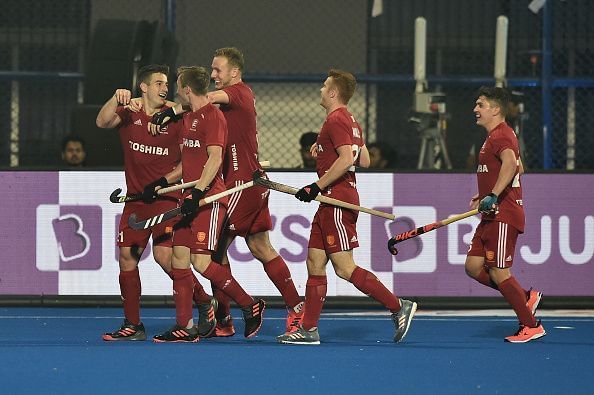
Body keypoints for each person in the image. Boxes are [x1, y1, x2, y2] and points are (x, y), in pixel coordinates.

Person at [151, 47, 303, 337]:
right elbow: (198, 103)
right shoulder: (225, 104)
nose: (213, 75)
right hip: (249, 182)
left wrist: (168, 111)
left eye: (218, 69)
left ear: (234, 72)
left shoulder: (239, 93)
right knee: (259, 247)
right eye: (212, 69)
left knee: (210, 253)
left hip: (240, 185)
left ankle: (231, 314)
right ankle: (292, 308)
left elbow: (201, 98)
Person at [276, 69, 417, 345]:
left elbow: (345, 159)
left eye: (324, 86)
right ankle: (309, 330)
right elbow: (362, 159)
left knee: (344, 267)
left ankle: (398, 306)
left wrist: (316, 186)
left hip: (336, 200)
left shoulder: (336, 119)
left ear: (332, 92)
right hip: (330, 202)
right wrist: (325, 147)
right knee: (314, 263)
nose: (320, 89)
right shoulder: (349, 120)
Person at [96, 64, 215, 341]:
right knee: (127, 258)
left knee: (165, 256)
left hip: (167, 198)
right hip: (136, 201)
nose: (165, 88)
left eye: (166, 83)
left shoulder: (176, 115)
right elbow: (101, 122)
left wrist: (162, 182)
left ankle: (203, 301)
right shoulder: (130, 112)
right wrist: (116, 97)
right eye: (159, 83)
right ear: (144, 87)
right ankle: (133, 325)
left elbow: (189, 162)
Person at [152, 65, 265, 342]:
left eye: (178, 86)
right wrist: (162, 181)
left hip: (210, 200)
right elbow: (188, 163)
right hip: (190, 198)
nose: (176, 91)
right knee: (179, 261)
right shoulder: (189, 117)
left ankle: (250, 304)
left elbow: (215, 159)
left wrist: (197, 192)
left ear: (187, 89)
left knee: (201, 263)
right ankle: (186, 326)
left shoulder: (213, 116)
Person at [465, 86, 544, 343]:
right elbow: (504, 169)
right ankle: (524, 297)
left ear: (496, 109)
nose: (475, 109)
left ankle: (530, 325)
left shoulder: (502, 135)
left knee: (500, 272)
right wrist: (485, 194)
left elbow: (511, 165)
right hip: (491, 213)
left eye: (481, 105)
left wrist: (494, 195)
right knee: (474, 266)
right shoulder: (493, 137)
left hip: (503, 214)